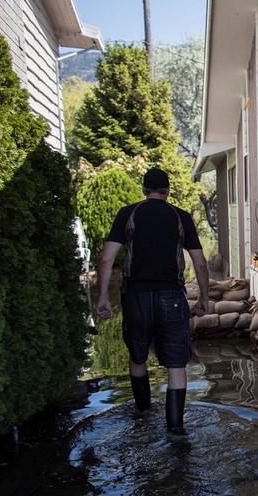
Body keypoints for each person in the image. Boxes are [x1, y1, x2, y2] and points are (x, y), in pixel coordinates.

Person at [95, 167, 210, 435]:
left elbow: (106, 259)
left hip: (135, 296)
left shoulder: (128, 214)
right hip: (171, 296)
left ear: (145, 190)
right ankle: (176, 431)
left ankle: (143, 416)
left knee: (137, 356)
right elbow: (200, 264)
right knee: (176, 363)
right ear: (167, 191)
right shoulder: (180, 217)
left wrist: (102, 297)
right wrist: (204, 297)